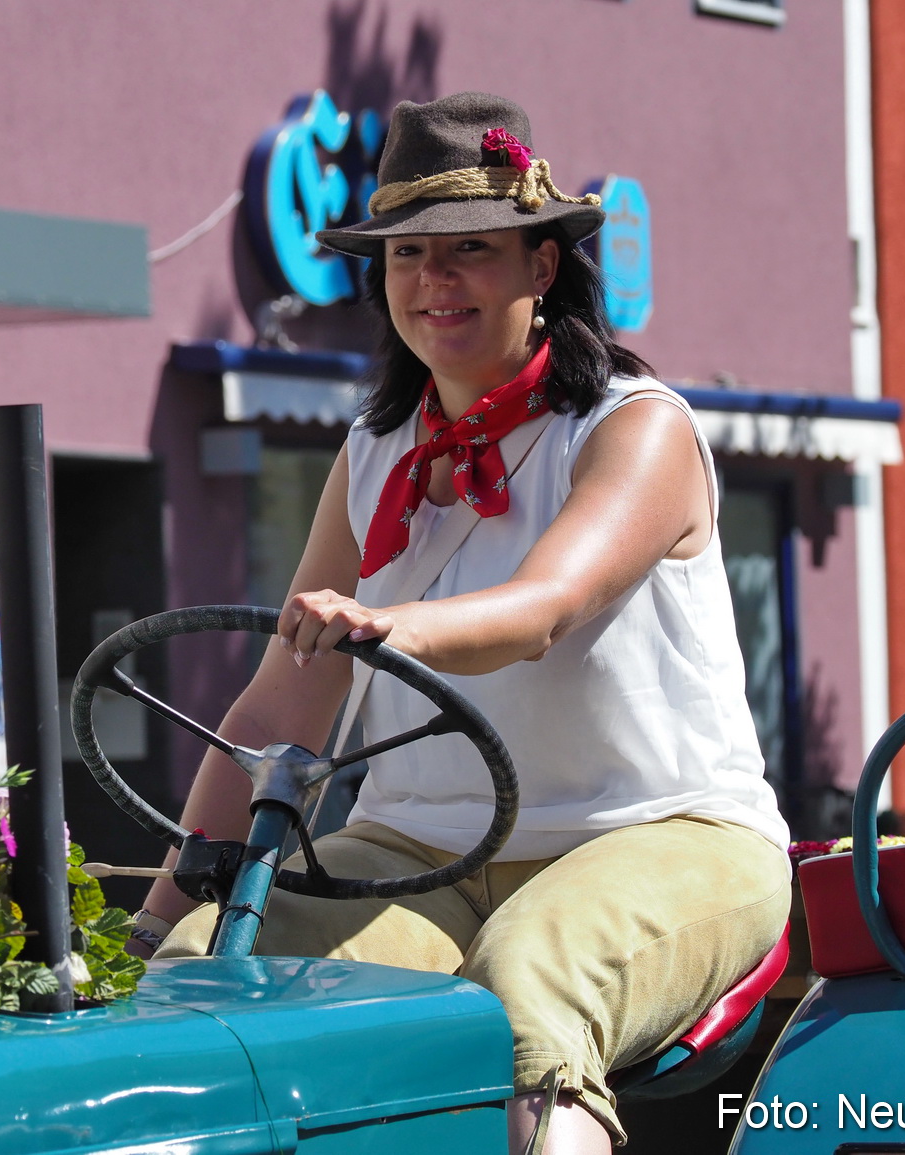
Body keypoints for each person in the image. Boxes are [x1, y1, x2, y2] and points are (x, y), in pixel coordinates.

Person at [135, 93, 790, 1154]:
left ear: (541, 266)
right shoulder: (373, 450)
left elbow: (542, 609)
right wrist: (160, 917)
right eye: (406, 257)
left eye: (469, 251)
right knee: (207, 976)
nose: (433, 282)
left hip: (658, 828)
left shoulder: (635, 427)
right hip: (418, 851)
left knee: (525, 987)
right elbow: (284, 699)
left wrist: (379, 628)